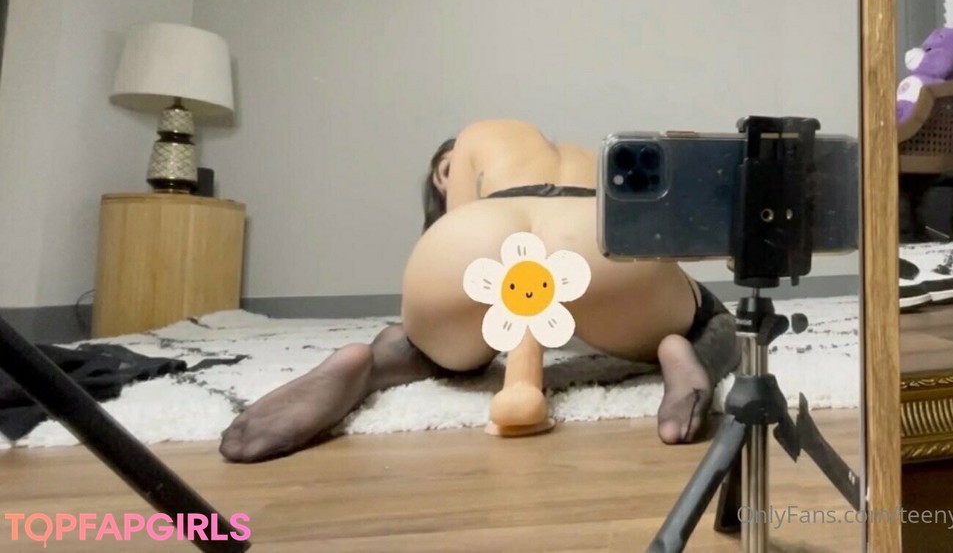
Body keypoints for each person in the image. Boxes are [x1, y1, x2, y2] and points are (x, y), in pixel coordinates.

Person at [219, 119, 739, 463]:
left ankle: (370, 362)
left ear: (442, 169)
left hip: (479, 235)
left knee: (428, 341)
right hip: (598, 235)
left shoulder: (470, 142)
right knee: (710, 316)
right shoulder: (587, 152)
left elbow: (468, 236)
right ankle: (680, 352)